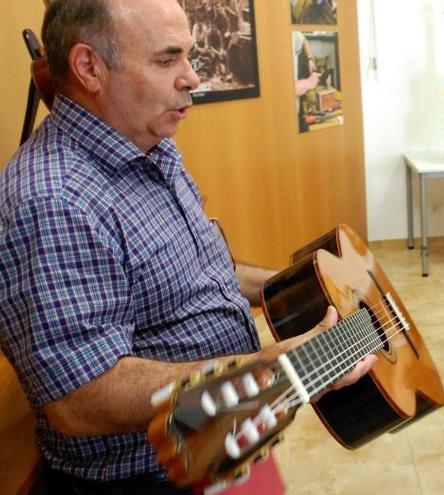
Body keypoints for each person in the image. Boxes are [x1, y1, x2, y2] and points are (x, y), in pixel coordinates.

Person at [0, 0, 375, 492]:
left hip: (222, 438)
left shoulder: (151, 139)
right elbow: (80, 398)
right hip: (151, 474)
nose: (192, 77)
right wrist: (281, 369)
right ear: (89, 67)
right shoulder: (53, 200)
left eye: (189, 56)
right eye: (166, 59)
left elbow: (204, 267)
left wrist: (311, 283)